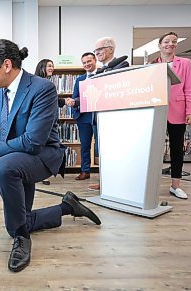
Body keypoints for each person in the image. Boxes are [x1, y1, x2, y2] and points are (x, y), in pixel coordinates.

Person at [0, 39, 101, 273]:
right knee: (14, 221)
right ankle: (67, 207)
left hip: (43, 155)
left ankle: (23, 239)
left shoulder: (42, 88)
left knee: (2, 168)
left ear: (5, 65)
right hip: (16, 157)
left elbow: (33, 141)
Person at [152, 31, 191, 199]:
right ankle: (151, 184)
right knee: (153, 150)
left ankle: (175, 185)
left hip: (177, 112)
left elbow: (190, 89)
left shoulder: (185, 63)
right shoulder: (152, 64)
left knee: (177, 149)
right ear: (159, 45)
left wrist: (190, 111)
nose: (170, 44)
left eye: (174, 41)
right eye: (166, 41)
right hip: (157, 111)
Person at [88, 36, 129, 191]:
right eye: (95, 50)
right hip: (98, 117)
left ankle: (114, 182)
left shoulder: (122, 64)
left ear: (111, 49)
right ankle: (104, 182)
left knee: (113, 152)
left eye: (100, 49)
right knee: (102, 153)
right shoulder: (100, 69)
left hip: (112, 118)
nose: (97, 53)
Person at [65, 52, 99, 181]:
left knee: (100, 146)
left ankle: (105, 173)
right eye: (84, 62)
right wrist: (73, 103)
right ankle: (85, 171)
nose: (87, 64)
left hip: (98, 115)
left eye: (89, 61)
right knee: (85, 145)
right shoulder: (79, 79)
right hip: (83, 116)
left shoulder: (103, 75)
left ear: (95, 61)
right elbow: (75, 96)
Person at [34, 58, 67, 185]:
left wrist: (64, 101)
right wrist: (64, 101)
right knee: (43, 145)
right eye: (49, 65)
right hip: (42, 119)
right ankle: (42, 173)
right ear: (42, 67)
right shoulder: (41, 83)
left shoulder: (46, 82)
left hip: (49, 119)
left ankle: (42, 173)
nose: (51, 68)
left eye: (52, 66)